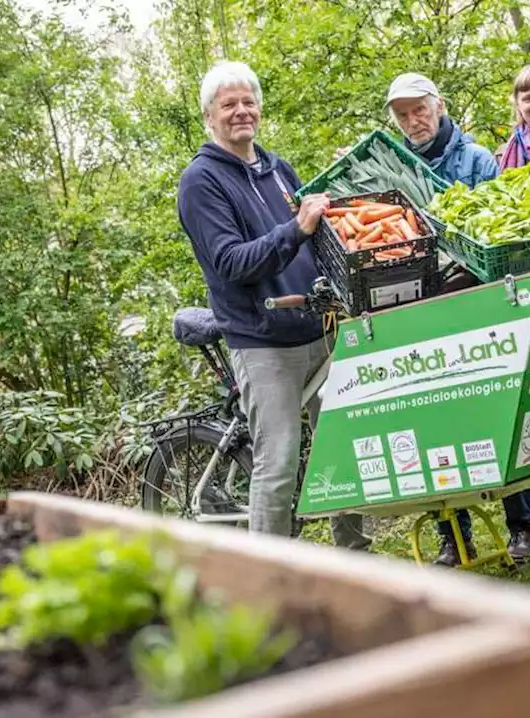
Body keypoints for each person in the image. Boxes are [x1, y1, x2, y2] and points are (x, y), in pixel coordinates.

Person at [177, 61, 371, 551]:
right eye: (229, 104)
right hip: (263, 341)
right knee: (279, 463)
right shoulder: (201, 182)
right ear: (209, 115)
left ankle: (354, 557)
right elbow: (230, 262)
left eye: (248, 102)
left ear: (259, 108)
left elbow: (318, 233)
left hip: (318, 329)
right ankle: (270, 579)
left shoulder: (277, 168)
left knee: (342, 448)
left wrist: (347, 189)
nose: (241, 111)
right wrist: (295, 229)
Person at [381, 72, 530, 566]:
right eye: (403, 115)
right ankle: (455, 535)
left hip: (478, 306)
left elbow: (496, 238)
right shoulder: (392, 171)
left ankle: (523, 526)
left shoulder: (476, 161)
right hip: (421, 310)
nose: (413, 121)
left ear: (440, 106)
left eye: (420, 110)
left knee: (496, 412)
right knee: (435, 422)